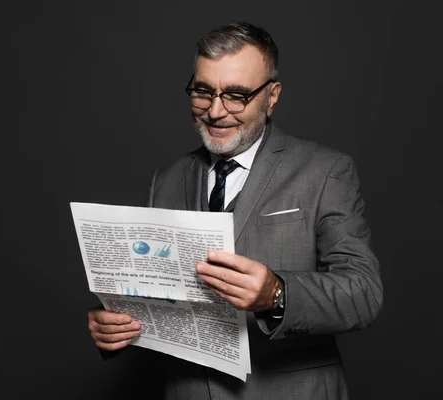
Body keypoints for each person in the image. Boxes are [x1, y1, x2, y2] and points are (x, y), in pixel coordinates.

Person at [87, 21, 383, 399]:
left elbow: (364, 294)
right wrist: (114, 326)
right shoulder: (167, 179)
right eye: (203, 91)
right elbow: (154, 297)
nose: (215, 111)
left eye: (236, 96)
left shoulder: (326, 171)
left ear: (272, 96)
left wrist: (277, 293)